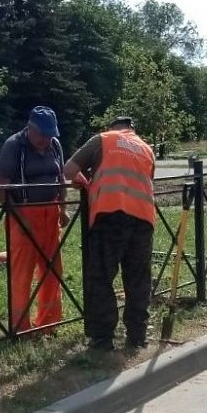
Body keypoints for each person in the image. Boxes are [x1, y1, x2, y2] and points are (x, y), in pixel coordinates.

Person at [63, 116, 156, 351]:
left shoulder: (102, 140)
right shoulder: (146, 149)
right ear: (132, 130)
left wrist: (87, 182)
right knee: (138, 279)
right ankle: (137, 337)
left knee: (101, 276)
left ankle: (103, 338)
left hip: (111, 215)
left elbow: (69, 169)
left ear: (113, 128)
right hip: (144, 218)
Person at [0, 106, 68, 333]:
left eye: (50, 135)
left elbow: (61, 178)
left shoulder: (54, 145)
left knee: (52, 269)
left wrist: (63, 208)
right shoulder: (14, 146)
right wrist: (17, 217)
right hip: (23, 214)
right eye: (43, 135)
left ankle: (48, 323)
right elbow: (1, 187)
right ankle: (20, 327)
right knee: (22, 273)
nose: (47, 140)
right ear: (30, 128)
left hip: (51, 213)